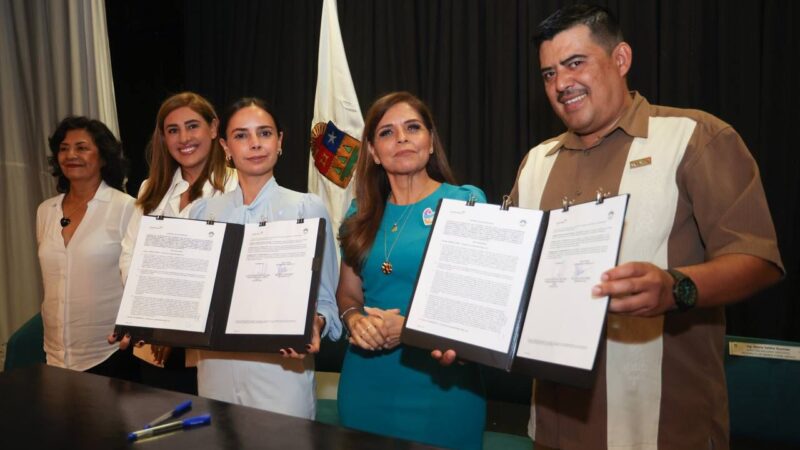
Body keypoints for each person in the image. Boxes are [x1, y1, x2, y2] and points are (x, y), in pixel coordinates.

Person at [438, 5, 783, 450]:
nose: (561, 84)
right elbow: (513, 282)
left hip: (663, 428)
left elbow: (759, 260)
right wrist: (465, 333)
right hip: (553, 428)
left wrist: (676, 287)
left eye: (575, 63)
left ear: (621, 59)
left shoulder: (694, 138)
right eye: (548, 74)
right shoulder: (536, 162)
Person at [336, 92, 487, 450]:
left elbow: (477, 306)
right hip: (364, 386)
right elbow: (348, 293)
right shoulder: (359, 215)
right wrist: (354, 319)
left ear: (431, 142)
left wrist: (407, 330)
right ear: (372, 151)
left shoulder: (466, 202)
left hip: (442, 389)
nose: (401, 138)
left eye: (412, 128)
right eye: (386, 132)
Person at [189, 97, 342, 419]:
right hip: (214, 369)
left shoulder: (306, 208)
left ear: (280, 141)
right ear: (225, 146)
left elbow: (327, 299)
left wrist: (316, 323)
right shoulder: (204, 212)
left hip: (283, 373)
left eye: (265, 133)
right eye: (241, 135)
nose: (255, 144)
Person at [113, 92, 237, 394]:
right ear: (163, 138)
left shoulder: (237, 187)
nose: (184, 138)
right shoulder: (150, 188)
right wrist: (156, 309)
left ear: (213, 128)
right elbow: (130, 255)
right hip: (154, 344)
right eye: (173, 130)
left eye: (192, 126)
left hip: (211, 349)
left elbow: (230, 267)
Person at [37, 116, 139, 381]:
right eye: (63, 148)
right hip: (54, 353)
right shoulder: (45, 211)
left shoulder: (127, 207)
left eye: (82, 148)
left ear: (103, 157)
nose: (71, 155)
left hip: (109, 353)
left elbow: (138, 279)